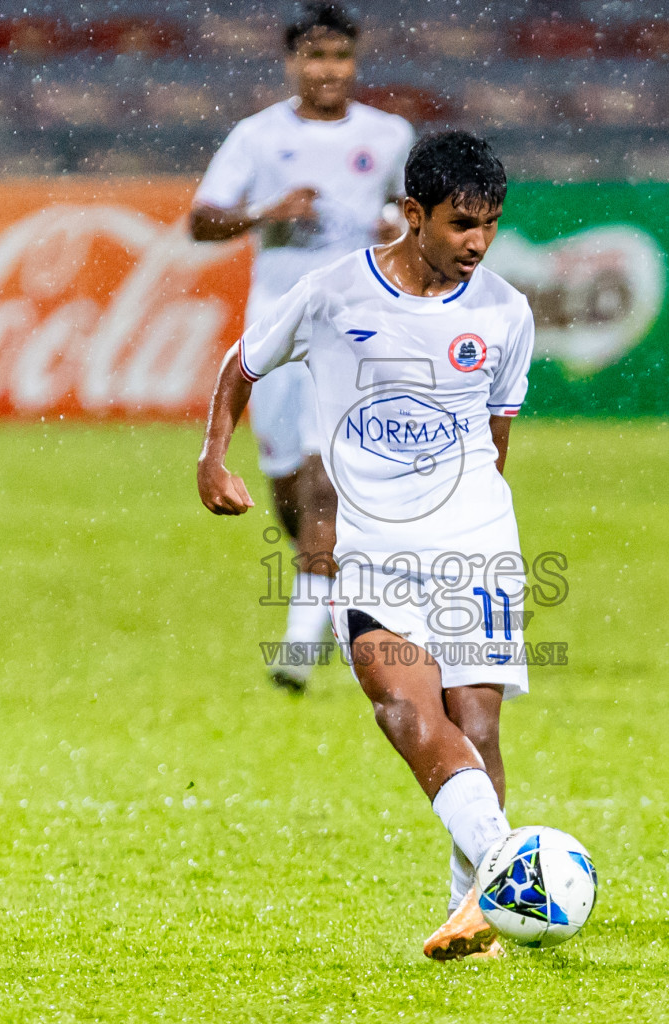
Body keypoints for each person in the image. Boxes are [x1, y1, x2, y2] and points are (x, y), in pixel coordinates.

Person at [198, 130, 537, 960]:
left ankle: (477, 918)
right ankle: (513, 871)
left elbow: (496, 442)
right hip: (375, 554)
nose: (478, 243)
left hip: (475, 546)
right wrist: (212, 457)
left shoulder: (504, 312)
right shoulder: (333, 295)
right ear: (412, 213)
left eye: (490, 224)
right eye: (462, 223)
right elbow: (242, 365)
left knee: (477, 726)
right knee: (403, 713)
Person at [190, 1, 415, 694]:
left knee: (326, 477)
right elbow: (201, 221)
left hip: (354, 325)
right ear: (293, 63)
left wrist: (395, 233)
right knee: (289, 483)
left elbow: (417, 218)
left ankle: (298, 643)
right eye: (315, 57)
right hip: (279, 321)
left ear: (355, 62)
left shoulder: (389, 133)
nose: (328, 70)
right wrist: (266, 211)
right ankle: (328, 596)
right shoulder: (258, 138)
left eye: (340, 57)